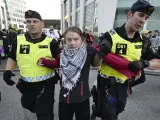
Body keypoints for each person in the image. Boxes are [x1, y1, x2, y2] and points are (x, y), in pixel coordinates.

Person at [92, 0, 156, 120]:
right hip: (107, 86)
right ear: (130, 14)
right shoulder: (110, 35)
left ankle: (96, 110)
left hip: (124, 86)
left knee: (118, 110)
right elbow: (95, 64)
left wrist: (144, 63)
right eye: (140, 15)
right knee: (109, 116)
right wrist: (100, 54)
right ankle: (97, 110)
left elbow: (157, 62)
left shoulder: (144, 40)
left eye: (146, 18)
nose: (142, 20)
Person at [3, 10, 59, 120]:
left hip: (45, 85)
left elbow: (59, 61)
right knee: (26, 104)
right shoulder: (18, 40)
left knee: (44, 114)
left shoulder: (51, 42)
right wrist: (8, 71)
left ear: (42, 24)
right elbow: (12, 57)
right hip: (26, 84)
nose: (31, 24)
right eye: (28, 21)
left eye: (35, 21)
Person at [40, 26, 100, 120]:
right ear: (65, 40)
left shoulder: (89, 51)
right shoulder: (61, 52)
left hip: (82, 97)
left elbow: (97, 63)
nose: (72, 42)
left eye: (76, 39)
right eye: (69, 39)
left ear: (82, 39)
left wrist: (101, 52)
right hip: (65, 97)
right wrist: (45, 62)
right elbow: (56, 63)